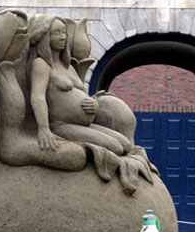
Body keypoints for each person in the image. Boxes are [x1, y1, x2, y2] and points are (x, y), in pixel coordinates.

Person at [29, 16, 132, 156]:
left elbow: (82, 94)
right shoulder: (42, 65)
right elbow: (37, 96)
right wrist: (43, 128)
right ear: (46, 37)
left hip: (84, 124)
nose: (62, 37)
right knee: (116, 148)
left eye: (64, 32)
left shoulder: (68, 67)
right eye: (56, 33)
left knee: (126, 144)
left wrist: (94, 104)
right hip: (62, 125)